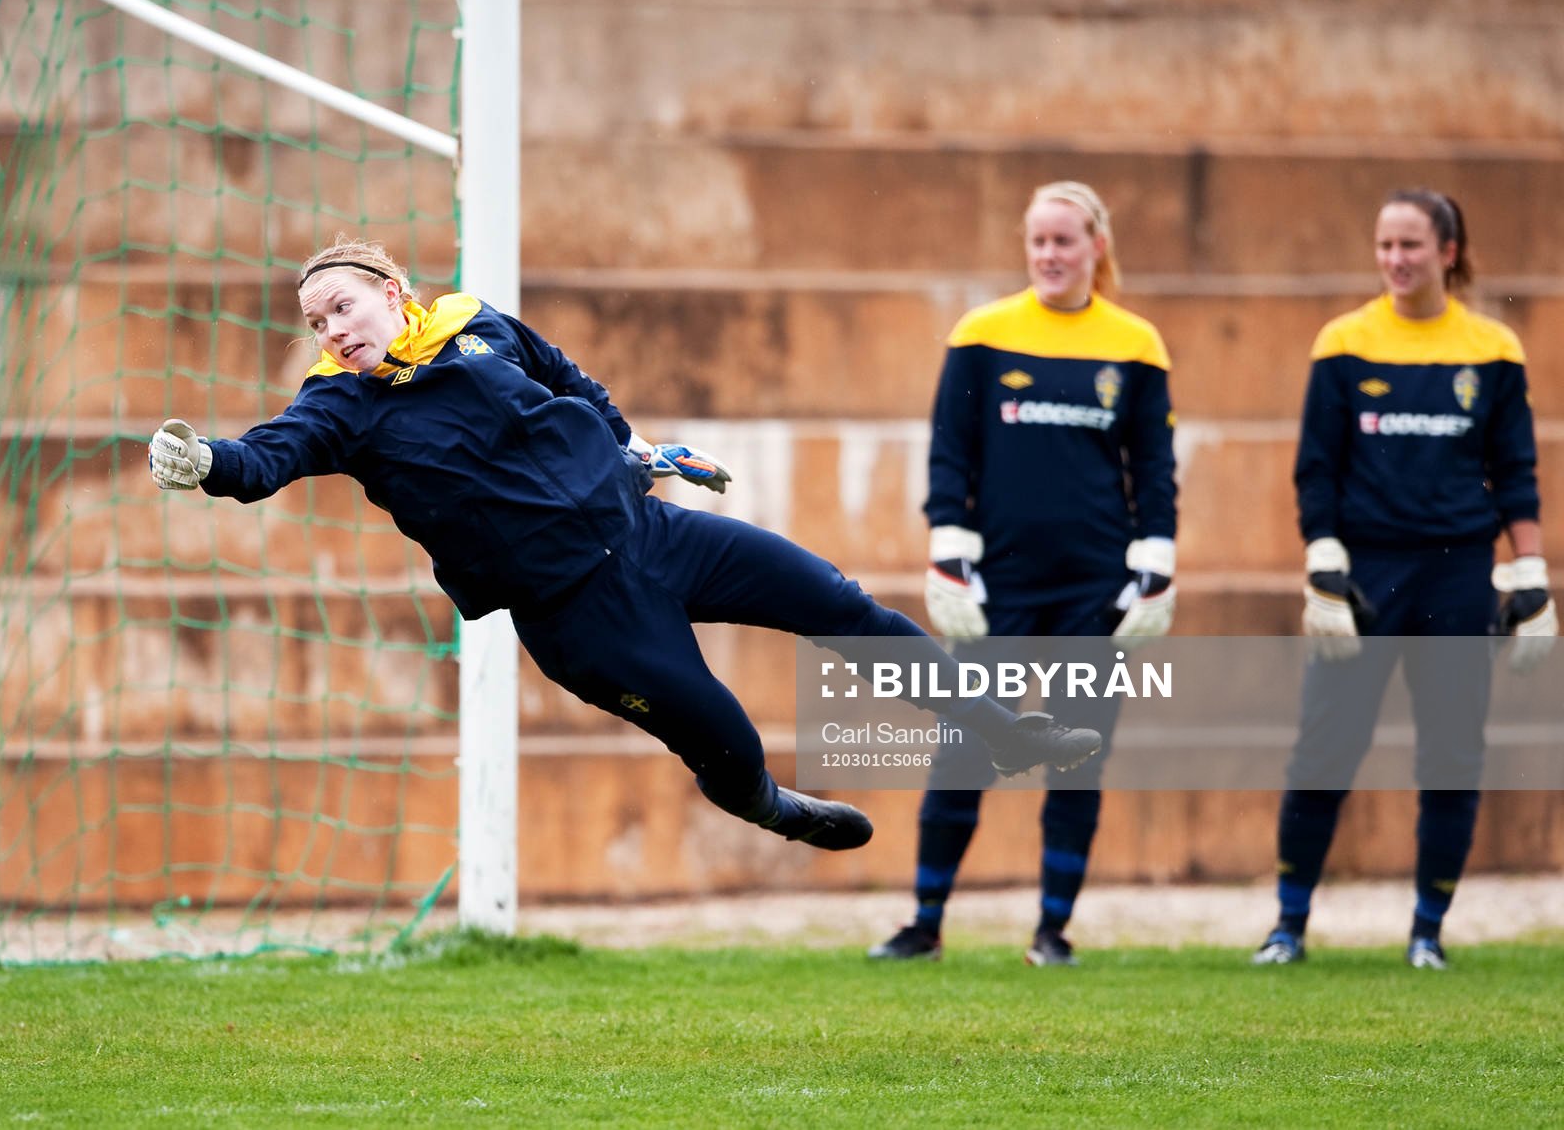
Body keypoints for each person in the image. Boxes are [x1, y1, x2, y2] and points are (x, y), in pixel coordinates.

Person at [148, 238, 1105, 855]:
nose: (331, 330)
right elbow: (267, 457)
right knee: (725, 734)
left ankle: (1002, 729)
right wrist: (205, 463)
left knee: (840, 604)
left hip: (652, 533)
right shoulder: (338, 406)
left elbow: (569, 378)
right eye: (316, 323)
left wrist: (638, 450)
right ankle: (770, 805)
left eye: (343, 308)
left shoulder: (474, 322)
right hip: (580, 616)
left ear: (392, 292)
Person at [869, 181, 1178, 967]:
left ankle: (1052, 932)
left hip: (1094, 591)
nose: (1048, 254)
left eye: (1063, 240)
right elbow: (951, 451)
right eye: (1038, 240)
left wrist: (1158, 559)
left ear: (1096, 246)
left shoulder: (1136, 344)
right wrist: (948, 547)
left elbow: (1153, 466)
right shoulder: (983, 333)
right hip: (997, 588)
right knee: (964, 749)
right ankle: (924, 925)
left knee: (1079, 757)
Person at [1252, 188, 1553, 971]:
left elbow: (1515, 473)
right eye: (1385, 244)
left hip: (1458, 576)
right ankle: (1288, 927)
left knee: (1452, 755)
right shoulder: (1344, 341)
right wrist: (1324, 561)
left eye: (1411, 245)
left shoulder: (1493, 348)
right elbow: (1317, 469)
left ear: (1448, 252)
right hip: (1365, 573)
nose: (1395, 259)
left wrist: (1531, 574)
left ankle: (1428, 931)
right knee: (1324, 750)